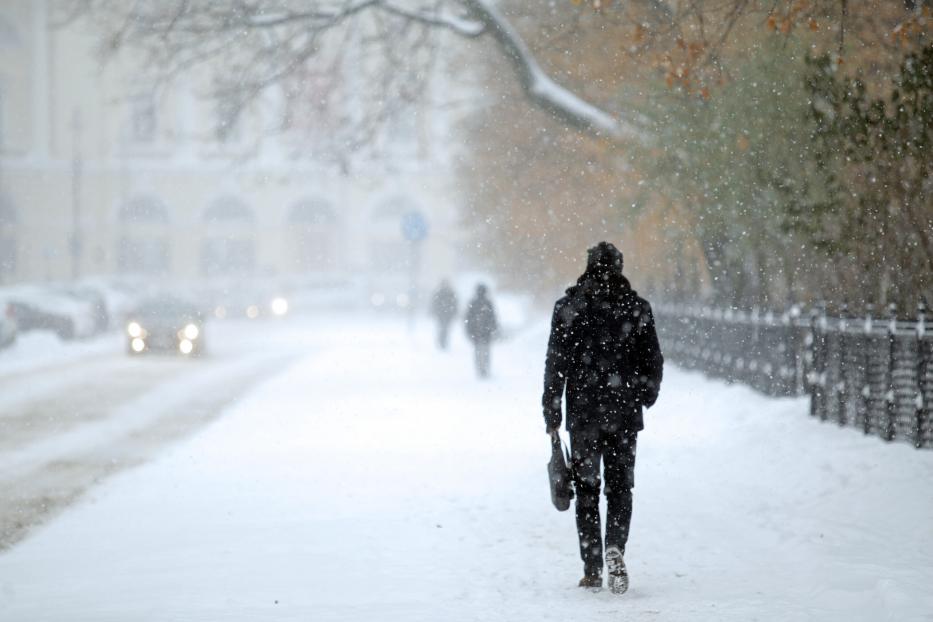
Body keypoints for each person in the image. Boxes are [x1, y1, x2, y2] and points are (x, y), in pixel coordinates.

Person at [542, 242, 663, 594]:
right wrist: (644, 394)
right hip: (623, 413)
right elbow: (652, 360)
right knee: (621, 487)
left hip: (583, 415)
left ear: (588, 266)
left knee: (587, 490)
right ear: (619, 268)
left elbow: (556, 363)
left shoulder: (568, 308)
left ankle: (593, 567)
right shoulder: (636, 309)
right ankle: (615, 547)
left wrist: (551, 409)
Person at [464, 284, 498, 378]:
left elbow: (468, 318)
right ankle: (484, 368)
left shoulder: (474, 303)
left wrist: (469, 331)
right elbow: (493, 318)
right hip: (485, 332)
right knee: (485, 351)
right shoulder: (488, 303)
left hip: (477, 332)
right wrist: (493, 328)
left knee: (478, 351)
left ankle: (480, 368)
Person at [430, 280, 459, 350]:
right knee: (445, 328)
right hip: (446, 314)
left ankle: (442, 341)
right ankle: (443, 342)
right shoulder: (450, 293)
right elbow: (454, 304)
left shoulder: (440, 293)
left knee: (443, 328)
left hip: (443, 314)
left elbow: (435, 303)